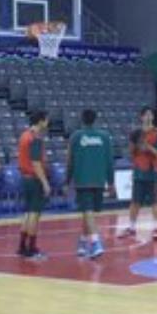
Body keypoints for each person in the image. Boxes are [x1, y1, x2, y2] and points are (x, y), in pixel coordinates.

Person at [67, 109, 115, 258]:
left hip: (82, 180)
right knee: (89, 213)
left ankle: (95, 243)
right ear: (95, 120)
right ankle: (82, 243)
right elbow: (109, 161)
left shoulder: (75, 136)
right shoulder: (105, 137)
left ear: (82, 119)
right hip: (99, 180)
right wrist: (111, 182)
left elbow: (70, 161)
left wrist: (67, 180)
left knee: (87, 213)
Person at [119, 106, 157, 241]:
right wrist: (134, 144)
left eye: (151, 114)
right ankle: (132, 228)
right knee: (135, 202)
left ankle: (156, 229)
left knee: (155, 202)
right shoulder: (135, 133)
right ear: (141, 117)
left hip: (153, 172)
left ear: (153, 117)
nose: (149, 117)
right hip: (139, 171)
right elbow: (131, 152)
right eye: (146, 115)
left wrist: (147, 146)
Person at [16, 111, 51, 259]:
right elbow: (36, 163)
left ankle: (22, 246)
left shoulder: (24, 135)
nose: (48, 123)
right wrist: (45, 183)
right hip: (34, 179)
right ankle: (31, 249)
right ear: (41, 121)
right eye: (46, 120)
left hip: (25, 178)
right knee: (34, 214)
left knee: (27, 213)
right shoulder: (35, 138)